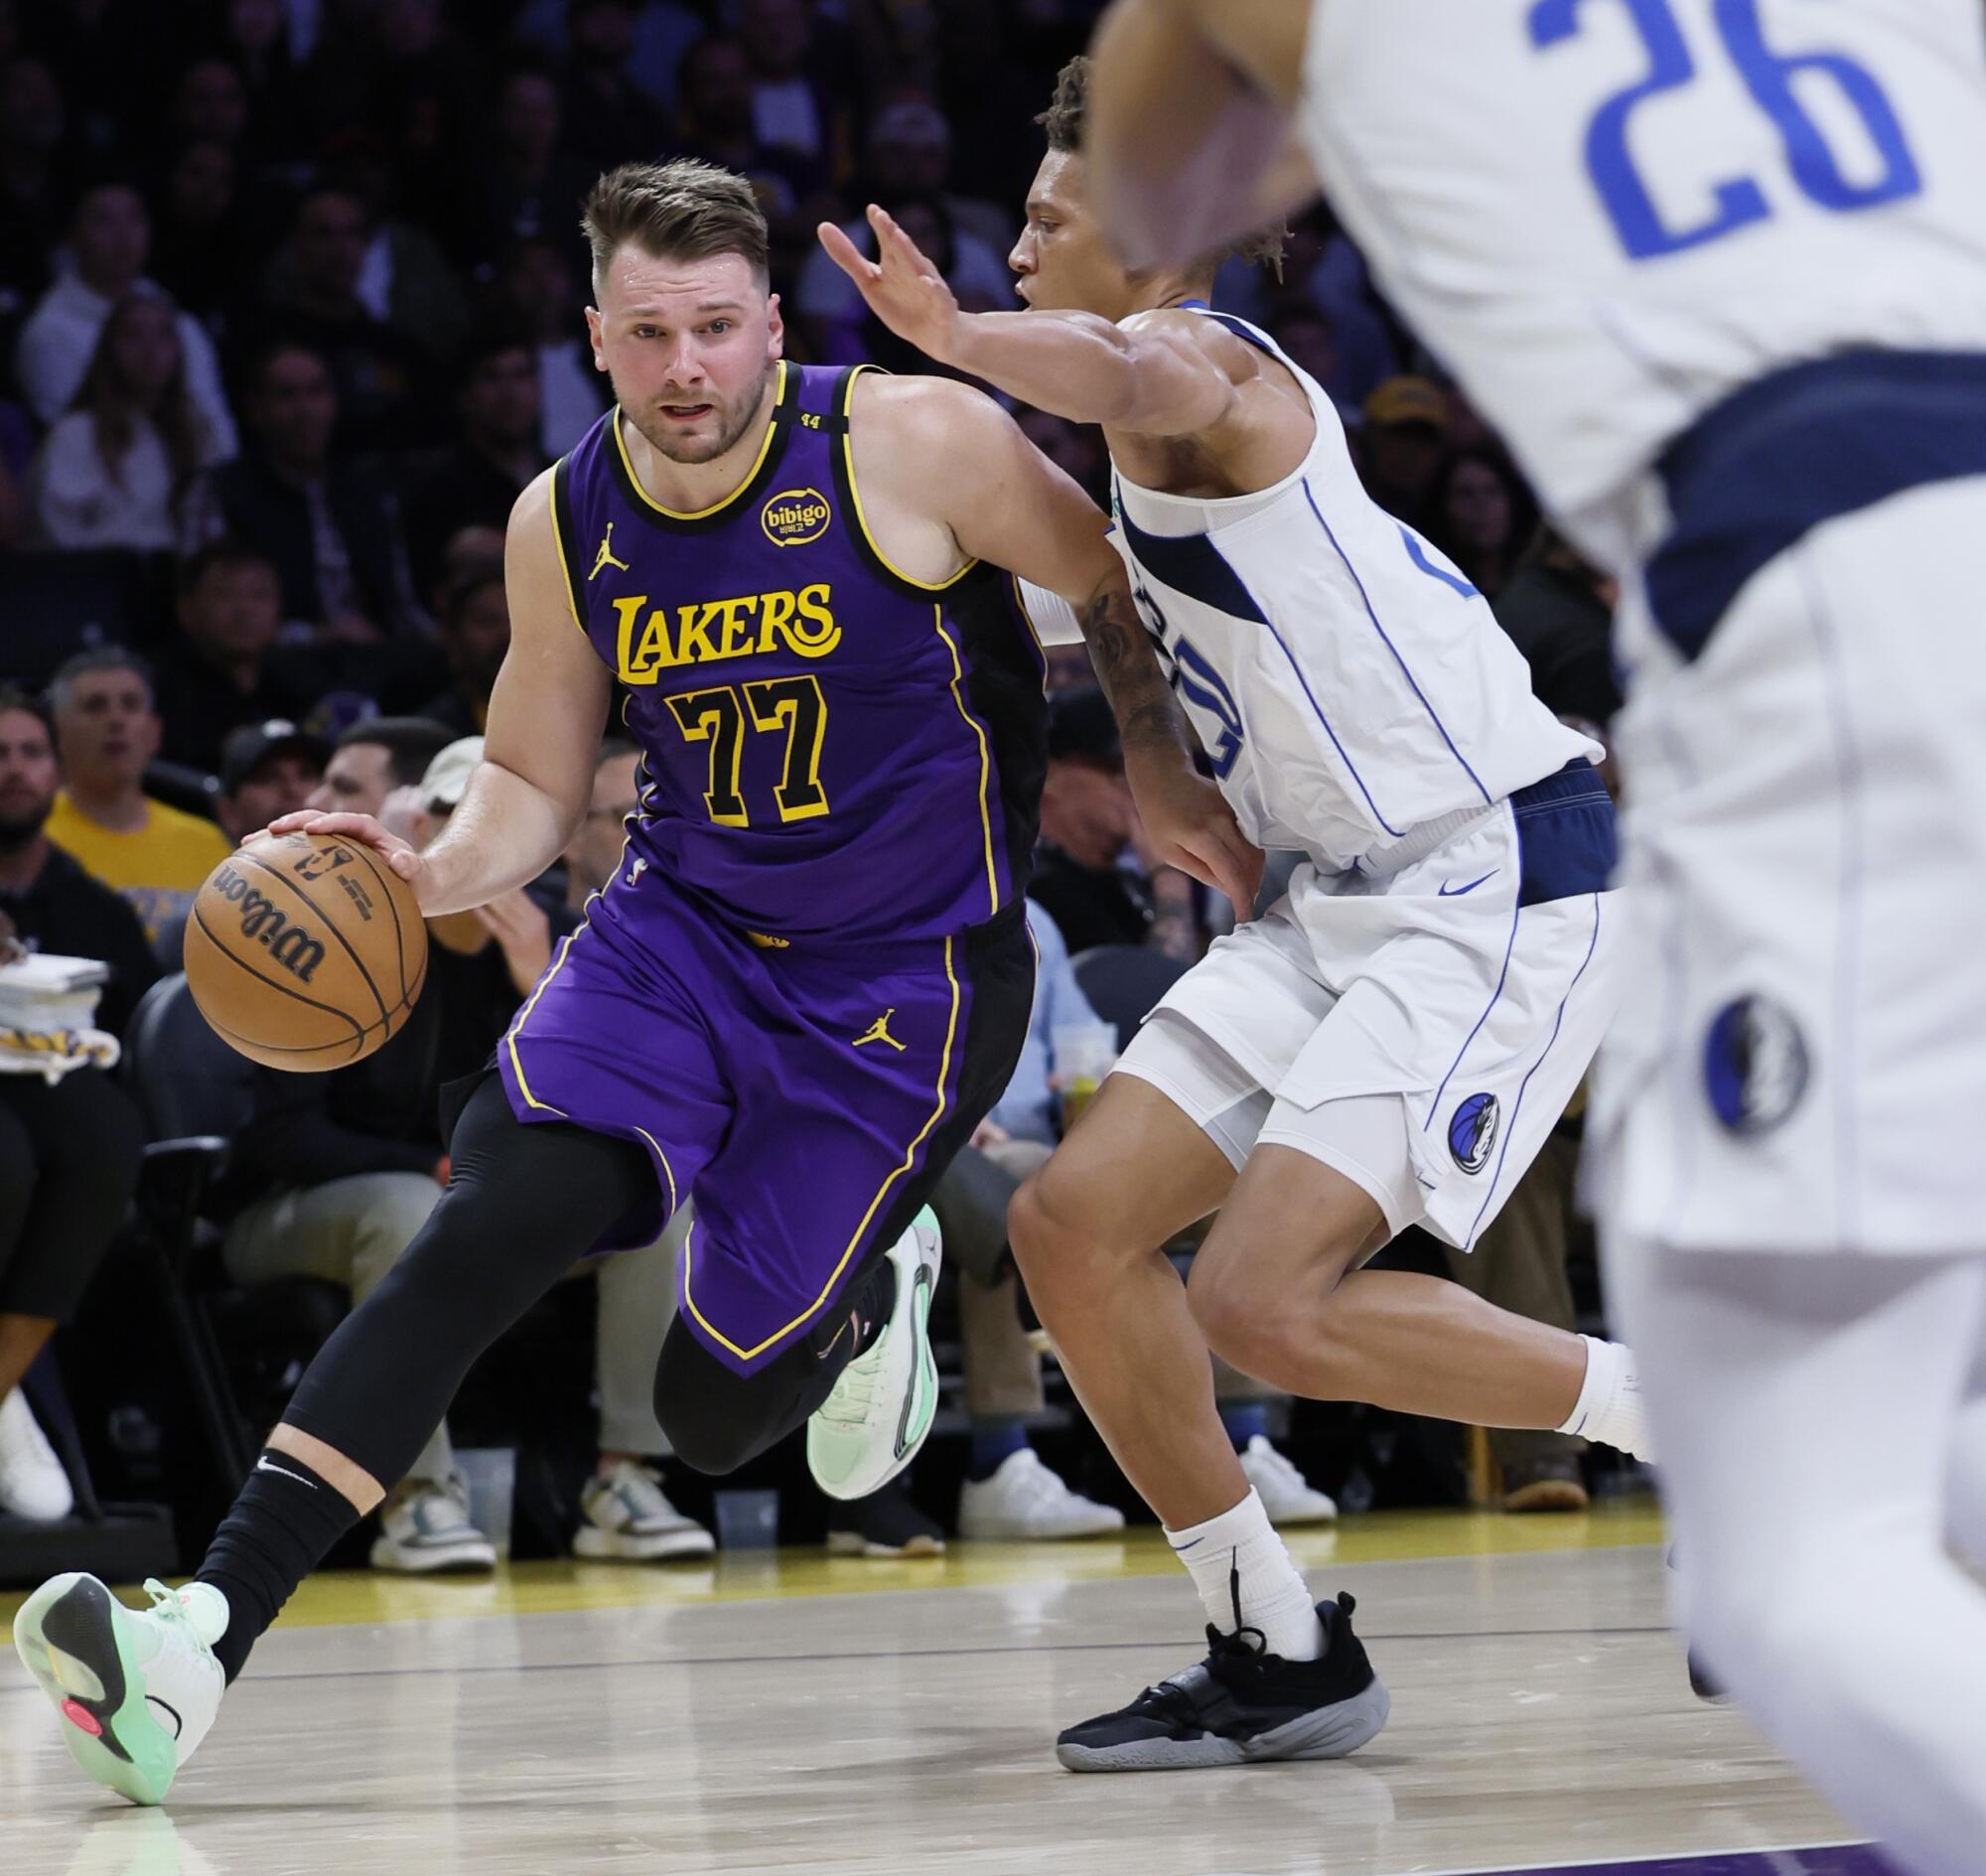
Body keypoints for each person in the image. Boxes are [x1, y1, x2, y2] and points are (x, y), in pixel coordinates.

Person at [11, 155, 1251, 1807]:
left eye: (719, 328)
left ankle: (876, 1276)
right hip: (679, 937)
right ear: (595, 333)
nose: (686, 367)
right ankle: (196, 1648)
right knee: (482, 1224)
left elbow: (1105, 574)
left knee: (716, 1416)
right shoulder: (566, 515)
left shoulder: (911, 440)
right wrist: (431, 863)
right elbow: (530, 777)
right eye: (651, 329)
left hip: (906, 984)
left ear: (767, 327)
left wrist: (1159, 774)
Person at [1077, 3, 1986, 1866]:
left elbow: (1158, 184)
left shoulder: (1274, 154)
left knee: (1804, 1544)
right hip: (1844, 589)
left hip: (1786, 643)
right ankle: (1276, 1635)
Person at [820, 54, 1647, 1772]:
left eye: (1053, 221)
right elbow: (1115, 599)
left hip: (1490, 872)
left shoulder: (1199, 362)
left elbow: (1118, 358)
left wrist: (958, 338)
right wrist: (1152, 752)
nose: (1023, 243)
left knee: (1266, 1301)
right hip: (1333, 891)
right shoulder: (1137, 436)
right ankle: (1276, 1638)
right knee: (1070, 1226)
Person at [0, 688, 155, 1521]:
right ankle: (10, 1419)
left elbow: (129, 1046)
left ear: (55, 770)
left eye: (28, 752)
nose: (13, 771)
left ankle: (3, 1389)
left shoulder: (94, 907)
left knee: (104, 1131)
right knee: (7, 1162)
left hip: (43, 1080)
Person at [188, 341, 416, 642]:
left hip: (375, 657)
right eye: (286, 395)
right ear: (256, 410)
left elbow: (402, 606)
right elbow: (209, 612)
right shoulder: (221, 492)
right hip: (269, 664)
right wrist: (312, 636)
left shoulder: (367, 493)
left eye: (316, 392)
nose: (305, 411)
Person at [12, 179, 237, 457]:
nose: (123, 235)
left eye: (135, 218)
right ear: (73, 235)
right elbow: (73, 444)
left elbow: (215, 424)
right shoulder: (47, 333)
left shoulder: (179, 321)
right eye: (103, 221)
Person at [42, 649, 231, 946]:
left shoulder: (208, 843)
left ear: (154, 732)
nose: (116, 720)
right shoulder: (30, 840)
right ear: (57, 734)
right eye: (95, 706)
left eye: (130, 705)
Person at [25, 292, 224, 552]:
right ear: (110, 349)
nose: (150, 350)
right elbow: (61, 532)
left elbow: (209, 524)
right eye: (133, 336)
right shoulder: (76, 433)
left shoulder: (197, 430)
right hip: (99, 579)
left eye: (164, 335)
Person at [150, 541, 323, 774]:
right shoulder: (158, 690)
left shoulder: (298, 683)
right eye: (225, 594)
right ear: (186, 608)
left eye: (259, 595)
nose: (244, 609)